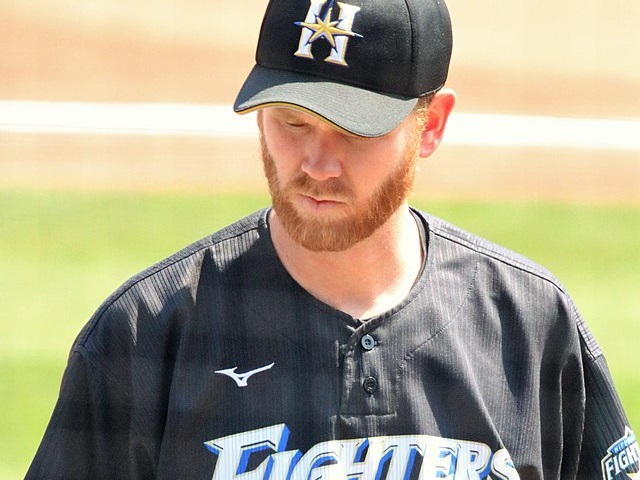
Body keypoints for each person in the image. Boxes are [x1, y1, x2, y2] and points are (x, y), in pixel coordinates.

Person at [27, 0, 638, 478]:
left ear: (431, 125)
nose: (317, 165)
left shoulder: (530, 325)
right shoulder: (145, 336)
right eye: (292, 123)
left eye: (356, 132)